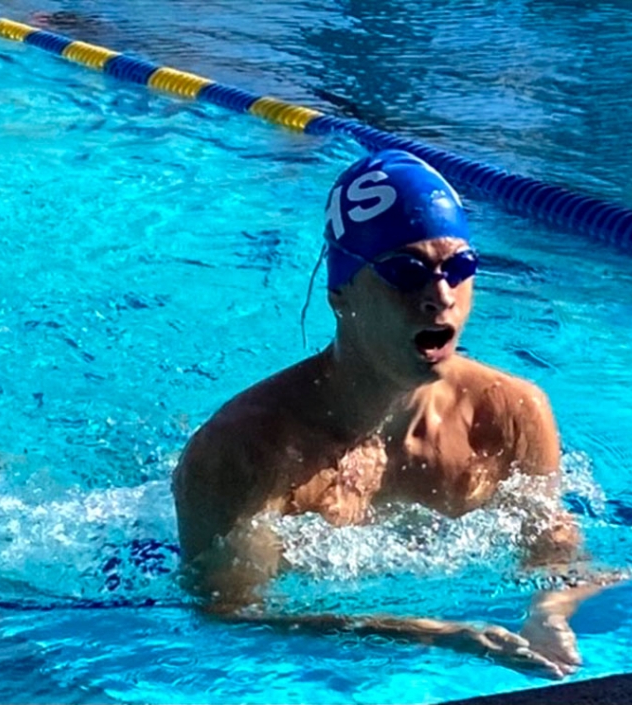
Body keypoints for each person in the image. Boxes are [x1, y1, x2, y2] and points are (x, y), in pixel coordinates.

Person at [172, 149, 608, 678]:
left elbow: (554, 549)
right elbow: (231, 616)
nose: (441, 296)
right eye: (407, 272)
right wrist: (428, 633)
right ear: (341, 294)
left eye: (460, 267)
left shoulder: (510, 413)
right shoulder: (247, 450)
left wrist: (549, 610)